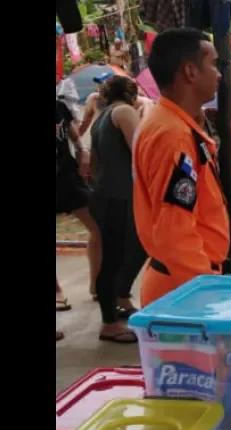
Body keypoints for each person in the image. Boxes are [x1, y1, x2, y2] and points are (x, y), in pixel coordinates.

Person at [133, 28, 229, 307]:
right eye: (213, 64)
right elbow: (174, 233)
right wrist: (207, 293)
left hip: (185, 281)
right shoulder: (173, 136)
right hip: (185, 289)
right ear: (190, 71)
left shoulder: (172, 124)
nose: (220, 74)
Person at [89, 76, 148, 343]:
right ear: (130, 94)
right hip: (123, 195)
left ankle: (120, 300)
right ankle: (109, 324)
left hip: (106, 193)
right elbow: (142, 151)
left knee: (124, 251)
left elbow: (92, 164)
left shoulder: (101, 117)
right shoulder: (124, 112)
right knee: (115, 258)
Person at [56, 98, 101, 305]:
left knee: (100, 225)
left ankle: (97, 285)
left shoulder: (59, 106)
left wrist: (83, 151)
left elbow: (73, 133)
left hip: (67, 177)